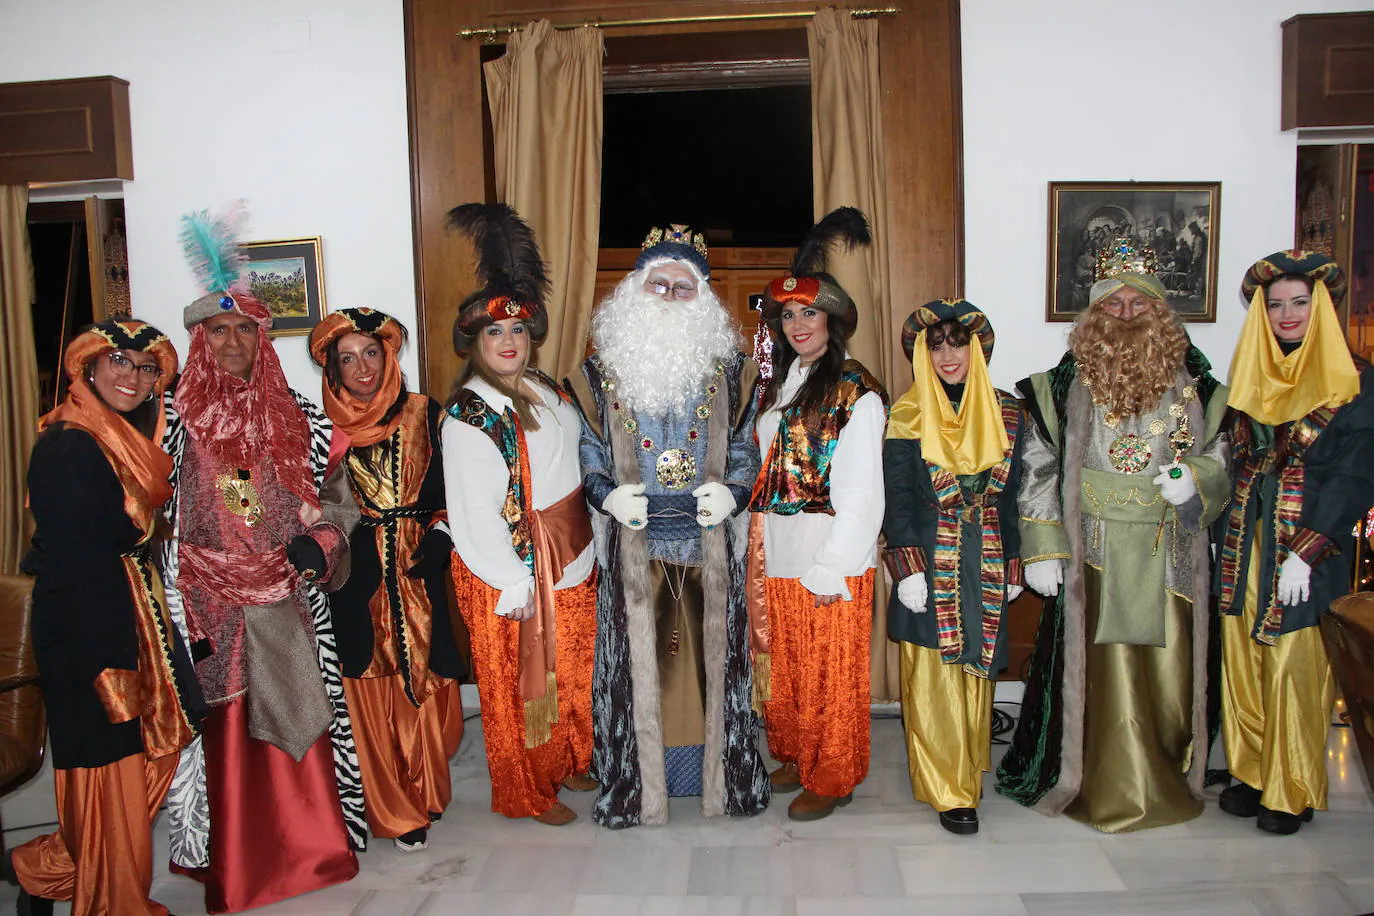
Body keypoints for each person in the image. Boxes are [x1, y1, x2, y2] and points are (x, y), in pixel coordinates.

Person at [161, 207, 363, 912]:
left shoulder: (301, 417)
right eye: (218, 330)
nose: (233, 342)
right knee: (223, 735)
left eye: (246, 328)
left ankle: (308, 855)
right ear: (198, 341)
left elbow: (341, 504)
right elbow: (148, 518)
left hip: (283, 598)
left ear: (264, 339)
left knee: (294, 718)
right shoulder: (170, 421)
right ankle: (233, 863)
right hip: (206, 603)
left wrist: (317, 544)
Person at [996, 238, 1231, 833]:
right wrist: (1042, 547)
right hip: (1091, 552)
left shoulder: (1202, 387)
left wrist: (1197, 480)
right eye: (1113, 303)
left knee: (1166, 670)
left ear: (1161, 310)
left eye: (1139, 302)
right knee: (1100, 670)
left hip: (1169, 550)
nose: (1126, 313)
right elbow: (1039, 467)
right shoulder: (1058, 386)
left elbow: (1226, 456)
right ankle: (1097, 777)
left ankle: (1167, 769)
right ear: (1094, 314)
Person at [574, 223, 770, 828]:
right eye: (657, 285)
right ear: (635, 290)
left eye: (683, 288)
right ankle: (640, 788)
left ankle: (715, 783)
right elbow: (587, 447)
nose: (668, 297)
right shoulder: (598, 370)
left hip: (707, 545)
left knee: (705, 671)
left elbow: (746, 446)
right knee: (642, 669)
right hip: (635, 547)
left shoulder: (733, 372)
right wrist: (607, 496)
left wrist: (733, 491)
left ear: (705, 299)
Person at [10, 321, 202, 916]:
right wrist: (107, 664)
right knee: (107, 773)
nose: (133, 377)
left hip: (131, 615)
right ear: (88, 368)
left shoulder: (122, 440)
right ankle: (110, 902)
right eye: (119, 361)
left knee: (162, 743)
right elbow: (74, 564)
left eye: (147, 368)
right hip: (89, 631)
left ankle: (46, 872)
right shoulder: (69, 444)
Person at [442, 204, 598, 826]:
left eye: (518, 333)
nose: (509, 343)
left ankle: (565, 759)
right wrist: (510, 581)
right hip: (513, 568)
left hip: (572, 554)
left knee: (571, 670)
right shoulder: (468, 417)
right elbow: (474, 514)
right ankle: (526, 790)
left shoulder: (550, 390)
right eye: (494, 335)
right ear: (477, 344)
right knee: (518, 685)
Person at [1216, 251, 1374, 835]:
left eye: (1299, 303)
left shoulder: (1354, 382)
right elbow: (1230, 465)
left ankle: (1292, 787)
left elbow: (1355, 475)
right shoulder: (1250, 377)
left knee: (1293, 665)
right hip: (1243, 544)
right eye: (1275, 304)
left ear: (1322, 307)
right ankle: (1253, 771)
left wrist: (1309, 548)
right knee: (1244, 657)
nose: (1286, 315)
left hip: (1306, 550)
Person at [308, 307, 465, 851]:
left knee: (426, 680)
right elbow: (309, 508)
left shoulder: (426, 412)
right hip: (358, 575)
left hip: (418, 567)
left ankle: (425, 789)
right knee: (369, 684)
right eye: (346, 359)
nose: (362, 368)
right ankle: (394, 808)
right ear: (331, 369)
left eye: (371, 353)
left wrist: (442, 535)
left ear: (389, 355)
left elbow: (452, 489)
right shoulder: (320, 431)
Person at [749, 208, 886, 822]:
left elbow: (862, 490)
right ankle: (799, 753)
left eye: (809, 312)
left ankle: (833, 775)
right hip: (776, 545)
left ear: (831, 317)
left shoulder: (857, 390)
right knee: (790, 663)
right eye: (788, 314)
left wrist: (838, 562)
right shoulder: (775, 384)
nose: (798, 323)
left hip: (829, 548)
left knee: (832, 670)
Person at [883, 300, 1025, 836]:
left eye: (957, 343)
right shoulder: (908, 413)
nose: (947, 355)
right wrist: (907, 567)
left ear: (977, 348)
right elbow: (897, 496)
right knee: (934, 673)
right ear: (922, 351)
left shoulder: (1008, 411)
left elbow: (1011, 499)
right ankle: (949, 790)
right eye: (936, 345)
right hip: (929, 556)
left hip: (985, 553)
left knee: (977, 667)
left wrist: (1013, 563)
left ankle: (968, 767)